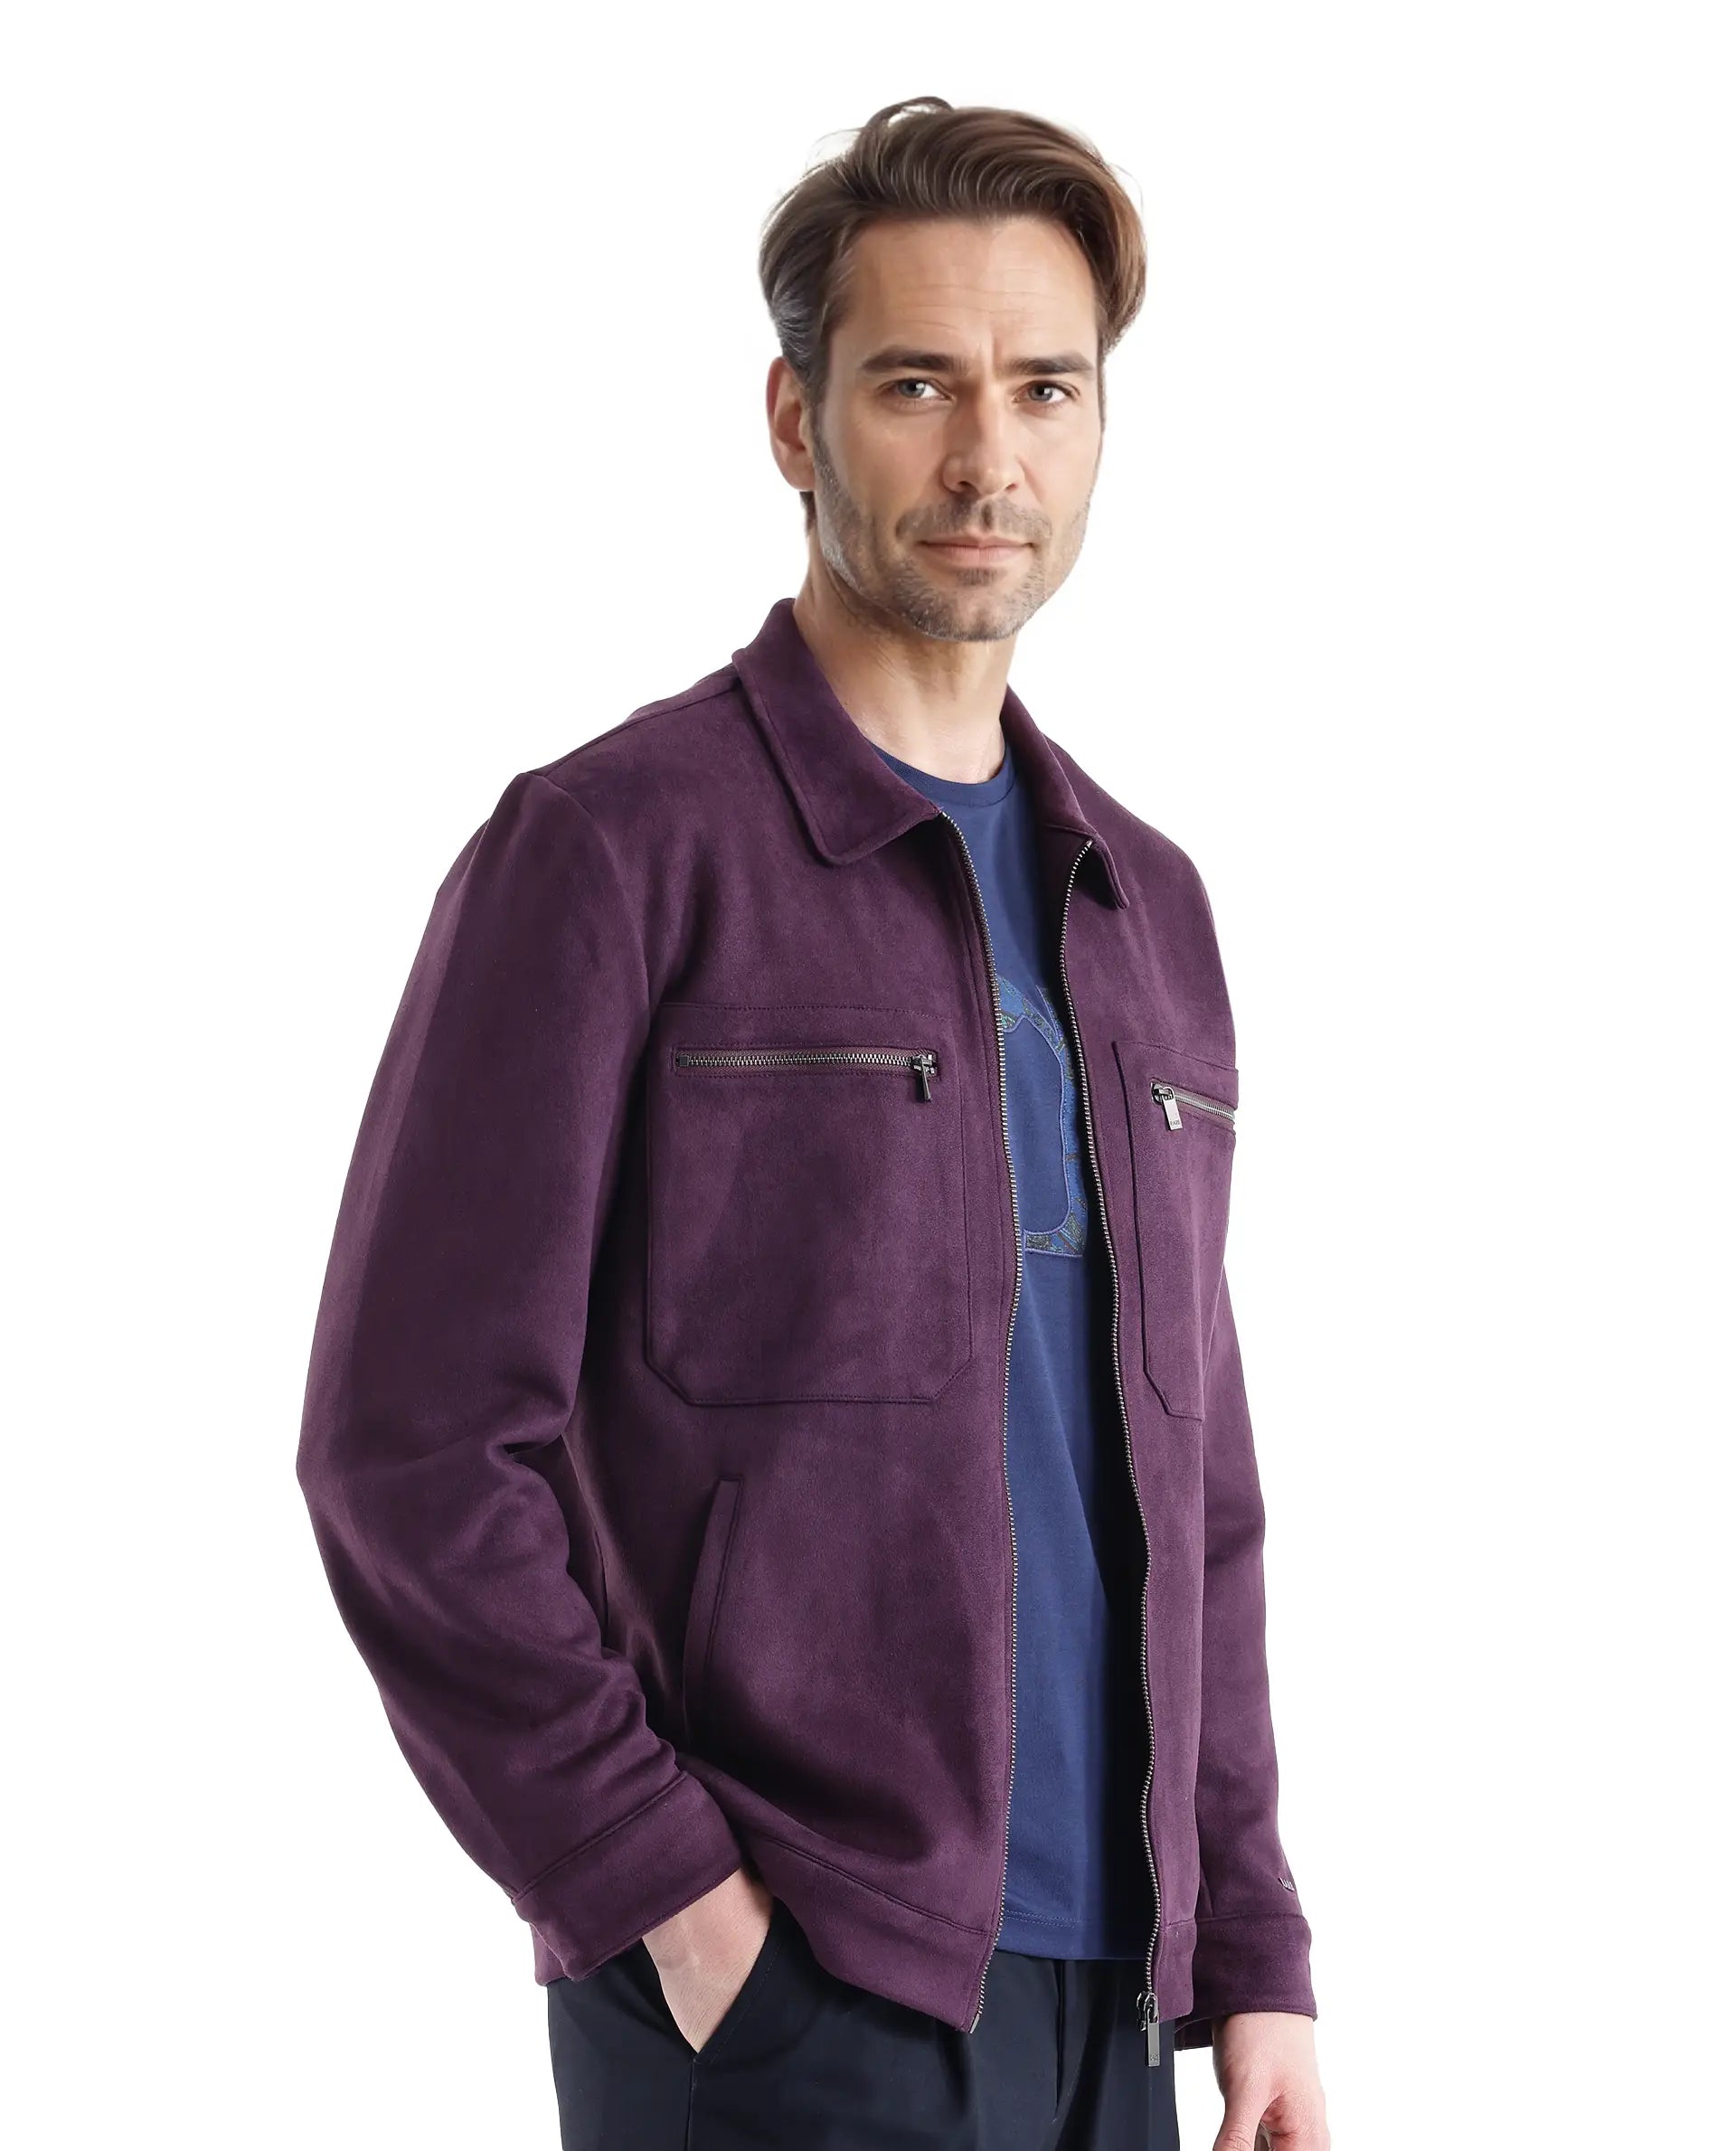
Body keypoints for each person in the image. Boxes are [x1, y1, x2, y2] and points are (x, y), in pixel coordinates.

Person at [297, 94, 1330, 2151]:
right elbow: (407, 1449)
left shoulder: (1148, 906)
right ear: (796, 419)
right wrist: (668, 1901)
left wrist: (1256, 1951)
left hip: (1122, 2013)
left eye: (1046, 388)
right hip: (785, 1990)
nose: (988, 457)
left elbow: (1194, 1484)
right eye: (916, 383)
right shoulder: (613, 853)